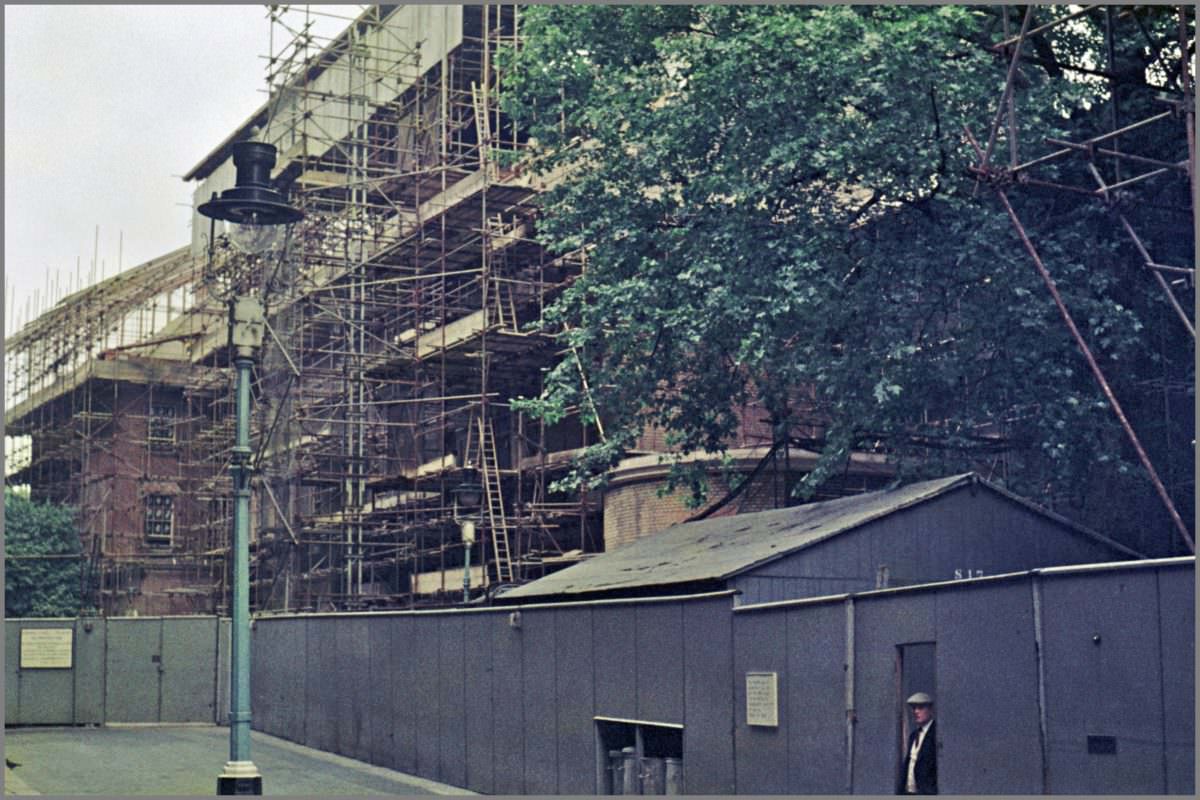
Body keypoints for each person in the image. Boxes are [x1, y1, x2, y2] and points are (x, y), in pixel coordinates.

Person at [896, 691, 937, 794]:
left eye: (921, 707)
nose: (916, 711)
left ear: (930, 710)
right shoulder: (913, 736)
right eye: (914, 708)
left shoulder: (936, 734)